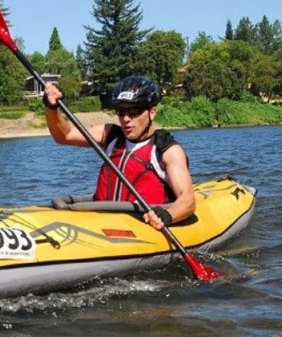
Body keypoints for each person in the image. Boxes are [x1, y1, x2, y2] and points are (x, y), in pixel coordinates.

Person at [43, 75, 195, 230]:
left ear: (152, 112)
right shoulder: (111, 135)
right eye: (121, 111)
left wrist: (167, 215)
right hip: (101, 222)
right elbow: (65, 136)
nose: (126, 119)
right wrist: (52, 107)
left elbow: (187, 200)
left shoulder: (167, 150)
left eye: (134, 111)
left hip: (142, 226)